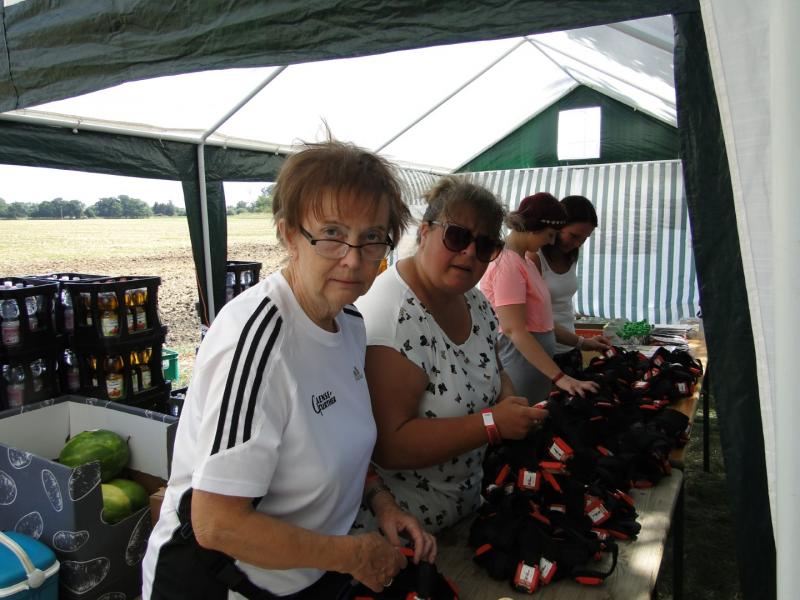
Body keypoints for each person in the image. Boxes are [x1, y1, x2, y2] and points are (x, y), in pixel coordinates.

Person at [142, 140, 435, 600]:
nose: (353, 257)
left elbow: (337, 440)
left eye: (372, 237)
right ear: (289, 235)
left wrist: (382, 504)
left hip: (305, 578)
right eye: (332, 233)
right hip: (223, 586)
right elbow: (216, 523)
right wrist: (352, 556)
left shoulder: (350, 324)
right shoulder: (258, 341)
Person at [351, 176, 548, 535]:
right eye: (457, 236)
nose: (470, 252)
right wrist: (492, 424)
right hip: (404, 534)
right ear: (425, 232)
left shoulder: (475, 301)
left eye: (485, 245)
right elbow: (390, 446)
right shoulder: (392, 317)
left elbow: (494, 367)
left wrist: (509, 403)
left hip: (467, 512)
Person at [480, 192, 599, 405]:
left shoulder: (523, 262)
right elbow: (514, 330)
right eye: (550, 234)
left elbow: (544, 323)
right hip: (519, 367)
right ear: (534, 227)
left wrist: (581, 343)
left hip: (534, 370)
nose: (551, 241)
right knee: (522, 416)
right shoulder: (507, 265)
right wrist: (560, 377)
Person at [537, 195, 611, 372]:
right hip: (544, 354)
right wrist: (583, 342)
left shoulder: (570, 256)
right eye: (573, 236)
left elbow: (563, 306)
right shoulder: (535, 258)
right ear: (558, 226)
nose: (577, 244)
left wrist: (579, 342)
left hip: (570, 348)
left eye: (583, 239)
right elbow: (537, 319)